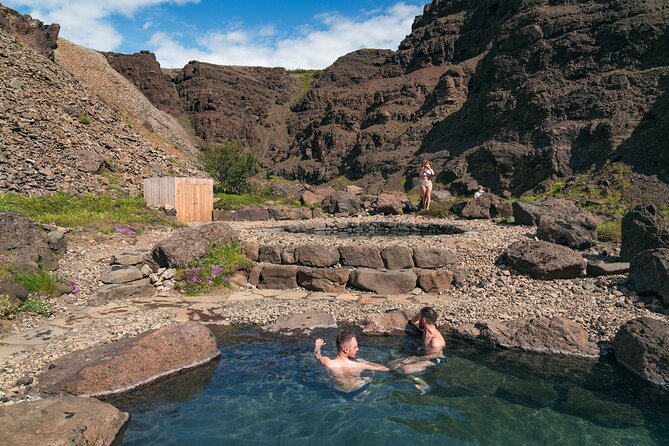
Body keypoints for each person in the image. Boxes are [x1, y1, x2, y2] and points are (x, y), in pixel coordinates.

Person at [314, 332, 390, 393]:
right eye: (355, 347)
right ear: (346, 350)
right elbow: (385, 369)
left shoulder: (328, 362)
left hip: (339, 391)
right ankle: (364, 393)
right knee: (370, 373)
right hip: (359, 389)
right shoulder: (359, 365)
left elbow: (317, 355)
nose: (358, 349)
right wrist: (367, 362)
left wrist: (318, 346)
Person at [390, 307, 446, 376]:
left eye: (420, 317)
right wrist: (421, 312)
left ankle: (418, 378)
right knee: (392, 364)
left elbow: (434, 355)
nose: (418, 319)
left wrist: (414, 359)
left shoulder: (435, 339)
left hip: (436, 359)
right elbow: (413, 321)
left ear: (423, 321)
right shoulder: (425, 329)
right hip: (425, 355)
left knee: (405, 369)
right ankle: (414, 374)